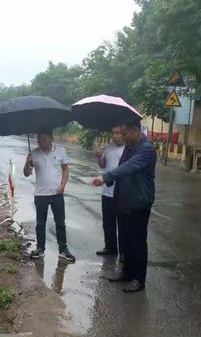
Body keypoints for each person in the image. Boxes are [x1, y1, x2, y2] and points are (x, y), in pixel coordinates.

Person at [91, 120, 156, 293]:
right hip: (124, 200)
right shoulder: (130, 145)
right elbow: (121, 168)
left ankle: (138, 278)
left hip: (139, 201)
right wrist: (110, 181)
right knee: (125, 239)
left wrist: (105, 177)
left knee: (137, 242)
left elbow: (129, 167)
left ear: (135, 130)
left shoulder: (147, 148)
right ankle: (126, 272)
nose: (123, 137)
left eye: (125, 133)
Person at [24, 131, 76, 262]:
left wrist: (62, 186)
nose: (41, 142)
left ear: (51, 139)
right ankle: (40, 248)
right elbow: (26, 173)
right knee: (40, 223)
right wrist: (27, 162)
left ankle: (63, 249)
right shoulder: (34, 153)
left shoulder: (61, 151)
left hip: (57, 194)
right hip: (40, 194)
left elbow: (65, 169)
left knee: (60, 222)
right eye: (39, 140)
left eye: (44, 139)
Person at [95, 127, 125, 257]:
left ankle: (124, 252)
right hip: (107, 191)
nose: (115, 135)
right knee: (108, 222)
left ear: (124, 133)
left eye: (118, 133)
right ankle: (110, 248)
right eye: (113, 133)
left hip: (121, 192)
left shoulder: (127, 150)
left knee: (123, 224)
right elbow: (102, 165)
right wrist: (99, 156)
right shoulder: (108, 148)